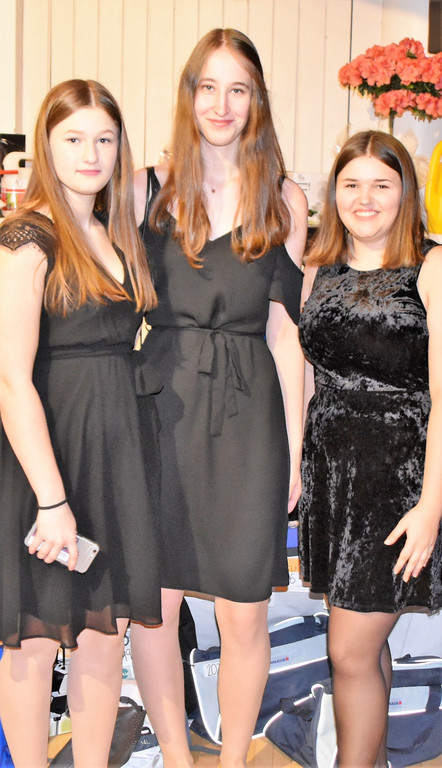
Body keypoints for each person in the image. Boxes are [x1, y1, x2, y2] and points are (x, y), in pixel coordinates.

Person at [131, 28, 308, 768]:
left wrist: (294, 452)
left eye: (239, 89)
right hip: (159, 408)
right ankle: (177, 755)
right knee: (153, 610)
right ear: (189, 94)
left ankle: (232, 760)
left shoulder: (285, 199)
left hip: (248, 418)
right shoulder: (145, 189)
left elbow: (286, 336)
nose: (222, 104)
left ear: (256, 100)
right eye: (209, 86)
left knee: (244, 611)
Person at [0, 79, 162, 768]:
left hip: (114, 453)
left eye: (104, 138)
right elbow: (10, 378)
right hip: (49, 460)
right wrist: (51, 499)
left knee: (104, 632)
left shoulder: (110, 231)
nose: (91, 153)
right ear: (46, 144)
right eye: (73, 138)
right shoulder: (26, 237)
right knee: (35, 638)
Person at [298, 130, 442, 768]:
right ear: (334, 194)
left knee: (348, 651)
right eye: (351, 184)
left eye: (382, 184)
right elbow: (309, 374)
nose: (365, 198)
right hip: (333, 477)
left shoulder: (432, 267)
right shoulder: (319, 268)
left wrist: (431, 505)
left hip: (398, 483)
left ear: (405, 192)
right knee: (365, 644)